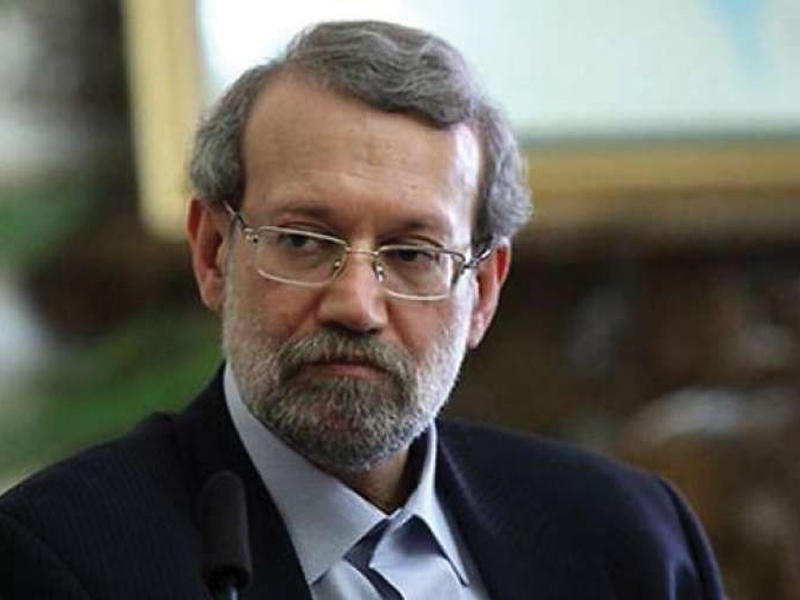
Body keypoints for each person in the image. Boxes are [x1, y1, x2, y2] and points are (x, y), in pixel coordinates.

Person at [0, 20, 724, 599]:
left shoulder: (630, 539)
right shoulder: (58, 559)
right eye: (302, 241)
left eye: (412, 253)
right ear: (214, 253)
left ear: (483, 291)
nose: (355, 305)